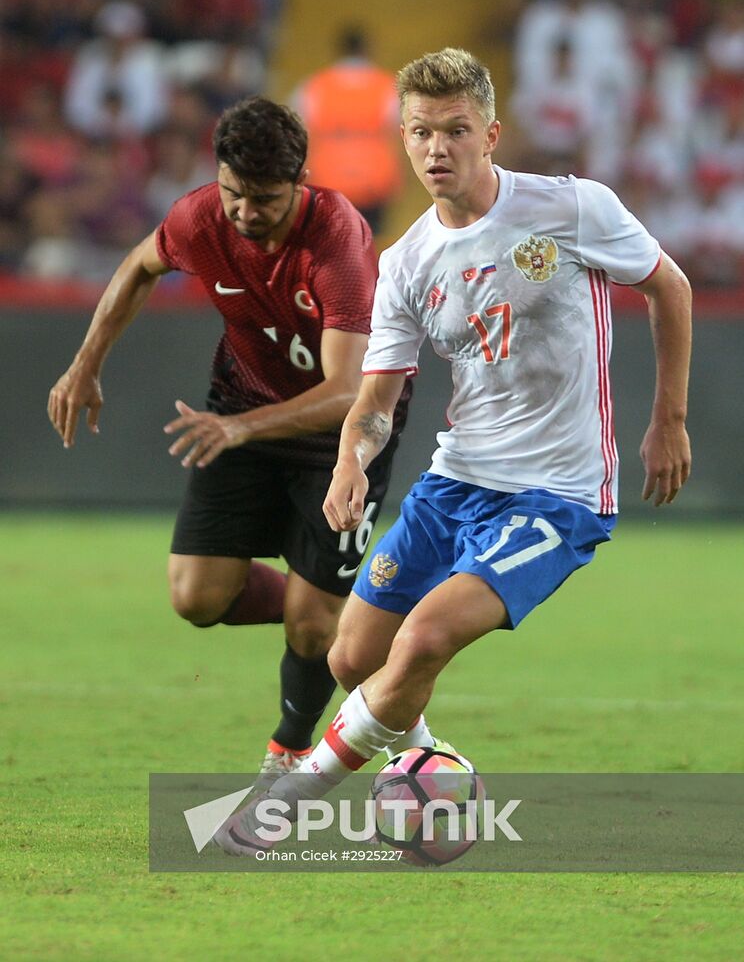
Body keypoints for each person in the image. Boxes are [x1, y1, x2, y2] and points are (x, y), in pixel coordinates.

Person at [213, 48, 692, 855]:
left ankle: (283, 807)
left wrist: (667, 418)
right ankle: (425, 760)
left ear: (491, 135)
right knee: (351, 653)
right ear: (403, 139)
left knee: (424, 638)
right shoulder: (399, 263)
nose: (437, 148)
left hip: (558, 493)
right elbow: (378, 396)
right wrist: (349, 462)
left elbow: (669, 286)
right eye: (421, 132)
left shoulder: (571, 209)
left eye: (456, 131)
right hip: (455, 482)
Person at [47, 96, 411, 783]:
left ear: (299, 183)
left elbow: (346, 393)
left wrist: (239, 428)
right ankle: (333, 612)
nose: (245, 212)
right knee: (196, 597)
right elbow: (138, 266)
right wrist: (84, 363)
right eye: (234, 192)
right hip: (241, 405)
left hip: (341, 438)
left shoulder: (339, 240)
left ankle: (289, 748)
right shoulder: (200, 218)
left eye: (265, 199)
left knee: (309, 626)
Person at [292, 26, 403, 235]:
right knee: (370, 244)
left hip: (328, 179)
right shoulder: (386, 86)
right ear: (367, 50)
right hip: (375, 181)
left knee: (333, 243)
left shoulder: (314, 86)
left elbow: (294, 129)